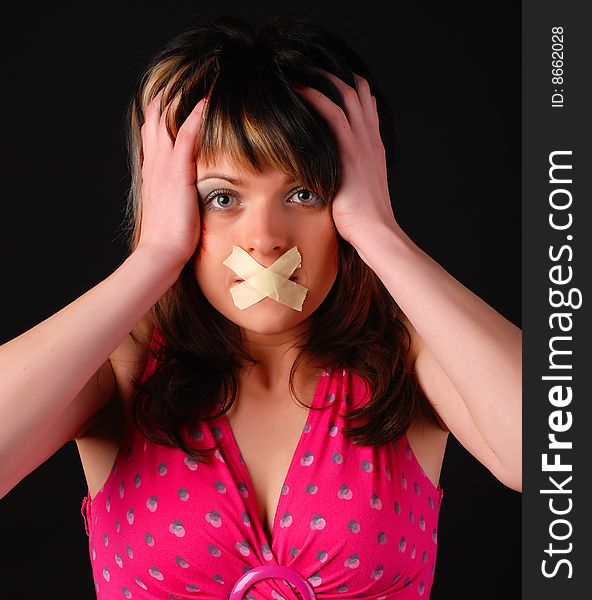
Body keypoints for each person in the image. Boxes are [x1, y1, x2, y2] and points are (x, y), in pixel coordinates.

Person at [0, 14, 521, 600]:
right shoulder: (122, 362)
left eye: (303, 193)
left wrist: (381, 234)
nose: (266, 238)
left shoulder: (412, 353)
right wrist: (156, 254)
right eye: (222, 197)